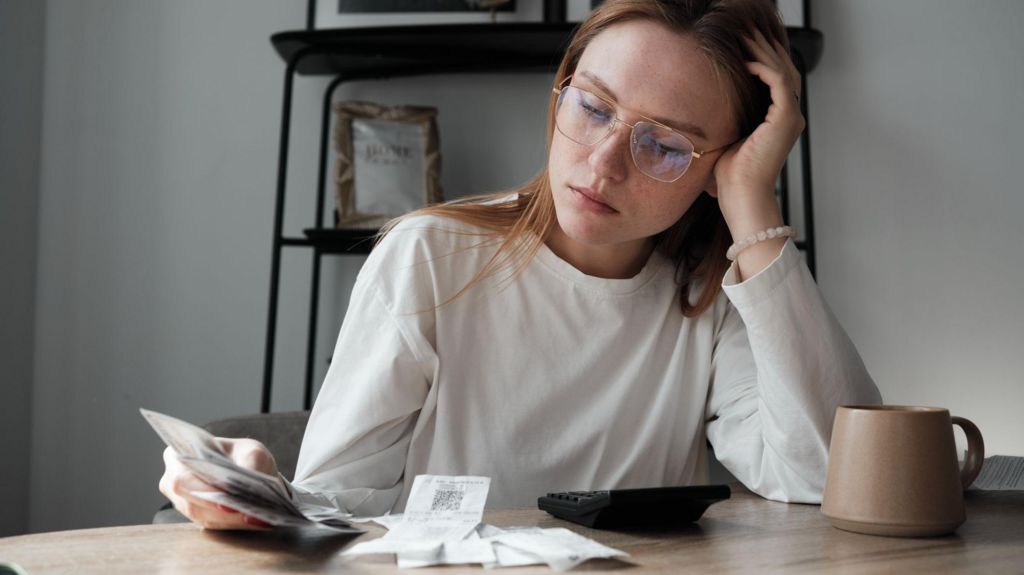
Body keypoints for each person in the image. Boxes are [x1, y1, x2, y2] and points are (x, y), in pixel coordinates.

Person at [160, 0, 882, 530]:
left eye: (663, 146)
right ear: (560, 91)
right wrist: (257, 489)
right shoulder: (431, 260)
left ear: (718, 167)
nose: (602, 166)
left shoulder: (713, 297)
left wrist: (752, 207)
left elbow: (829, 475)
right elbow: (337, 510)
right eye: (593, 108)